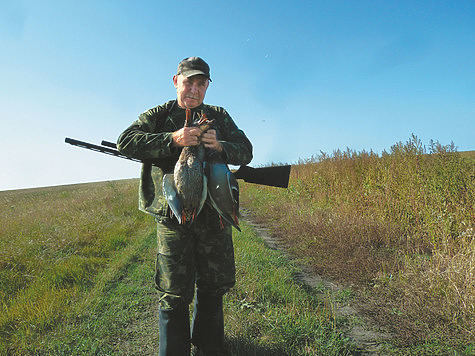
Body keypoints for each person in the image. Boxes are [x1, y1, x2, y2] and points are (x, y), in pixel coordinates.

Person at [117, 57, 253, 355]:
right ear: (175, 81)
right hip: (173, 217)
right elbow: (125, 142)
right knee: (173, 291)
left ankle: (209, 348)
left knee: (214, 286)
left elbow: (246, 152)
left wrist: (221, 146)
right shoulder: (160, 114)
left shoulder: (218, 115)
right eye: (188, 81)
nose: (194, 88)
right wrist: (172, 139)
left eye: (201, 83)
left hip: (214, 216)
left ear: (207, 87)